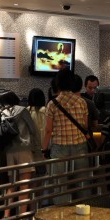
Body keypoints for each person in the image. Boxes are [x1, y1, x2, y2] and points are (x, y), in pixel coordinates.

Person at [43, 67, 89, 203]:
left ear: (58, 83)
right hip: (80, 145)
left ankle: (62, 212)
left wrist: (44, 149)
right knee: (82, 181)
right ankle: (84, 209)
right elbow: (85, 126)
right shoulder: (82, 102)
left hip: (59, 147)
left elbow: (48, 130)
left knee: (60, 184)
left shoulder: (52, 104)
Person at [0, 91, 40, 220]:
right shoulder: (22, 110)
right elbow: (33, 130)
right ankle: (22, 218)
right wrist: (37, 149)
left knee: (12, 185)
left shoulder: (2, 112)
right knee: (24, 184)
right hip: (24, 150)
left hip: (10, 151)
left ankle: (6, 217)